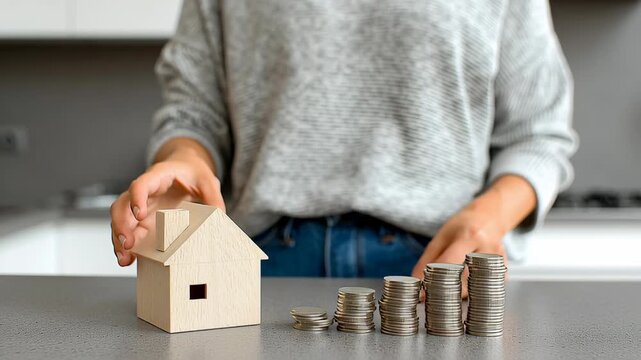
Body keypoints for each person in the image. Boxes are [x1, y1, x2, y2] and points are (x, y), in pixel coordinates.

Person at [110, 0, 577, 286]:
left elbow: (539, 134)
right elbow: (194, 111)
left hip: (437, 270)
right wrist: (184, 157)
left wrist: (487, 218)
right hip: (260, 265)